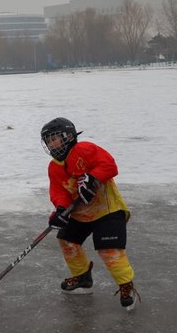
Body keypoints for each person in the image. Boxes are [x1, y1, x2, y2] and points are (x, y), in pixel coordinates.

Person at [41, 117, 140, 310]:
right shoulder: (54, 167)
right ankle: (83, 278)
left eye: (54, 139)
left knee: (108, 249)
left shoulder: (84, 149)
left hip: (107, 210)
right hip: (80, 213)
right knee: (67, 240)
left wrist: (92, 178)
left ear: (67, 136)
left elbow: (110, 165)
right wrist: (61, 209)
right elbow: (59, 191)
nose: (51, 144)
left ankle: (126, 285)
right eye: (48, 141)